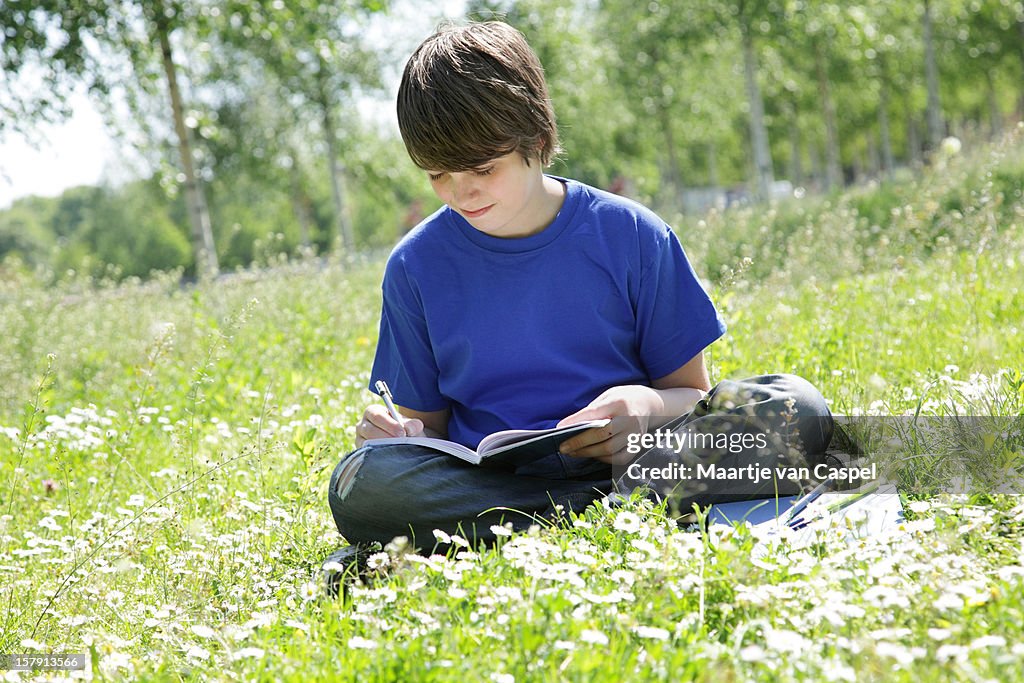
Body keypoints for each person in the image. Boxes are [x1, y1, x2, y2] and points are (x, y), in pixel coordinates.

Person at [324, 21, 833, 584]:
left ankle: (527, 530)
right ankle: (608, 521)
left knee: (798, 408)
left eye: (483, 169)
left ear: (536, 141)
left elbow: (691, 393)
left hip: (640, 463)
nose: (460, 192)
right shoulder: (415, 267)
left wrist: (642, 409)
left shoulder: (632, 234)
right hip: (494, 484)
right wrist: (395, 437)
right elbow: (427, 436)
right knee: (362, 481)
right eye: (439, 174)